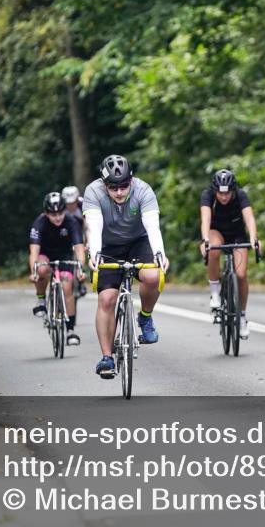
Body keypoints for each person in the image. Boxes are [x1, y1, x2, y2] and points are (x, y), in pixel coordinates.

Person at [84, 154, 170, 379]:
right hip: (107, 246)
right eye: (113, 188)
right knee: (106, 299)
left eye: (124, 186)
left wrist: (159, 253)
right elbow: (94, 226)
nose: (120, 192)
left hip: (138, 242)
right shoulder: (93, 192)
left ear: (131, 180)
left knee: (153, 276)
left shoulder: (143, 190)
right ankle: (107, 357)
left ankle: (145, 316)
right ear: (104, 184)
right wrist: (94, 254)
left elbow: (152, 226)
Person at [199, 169, 259, 339]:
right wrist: (205, 240)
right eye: (220, 193)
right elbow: (205, 219)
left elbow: (249, 218)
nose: (224, 197)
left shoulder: (240, 195)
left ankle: (242, 317)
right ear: (215, 191)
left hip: (237, 234)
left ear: (233, 190)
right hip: (216, 232)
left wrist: (254, 238)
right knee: (213, 248)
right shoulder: (207, 195)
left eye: (227, 193)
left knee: (241, 275)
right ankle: (215, 294)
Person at [29, 192, 86, 345]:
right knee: (41, 270)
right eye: (53, 214)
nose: (58, 217)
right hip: (45, 254)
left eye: (60, 213)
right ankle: (41, 300)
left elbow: (79, 249)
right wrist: (34, 272)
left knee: (67, 287)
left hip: (64, 256)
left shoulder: (71, 222)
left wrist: (81, 269)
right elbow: (34, 252)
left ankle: (70, 330)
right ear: (46, 213)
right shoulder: (40, 223)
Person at [62, 186, 88, 297]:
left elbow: (88, 227)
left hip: (80, 231)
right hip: (66, 232)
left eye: (73, 203)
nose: (70, 206)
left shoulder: (83, 206)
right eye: (67, 203)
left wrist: (87, 243)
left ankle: (81, 278)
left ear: (77, 200)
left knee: (80, 252)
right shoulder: (60, 207)